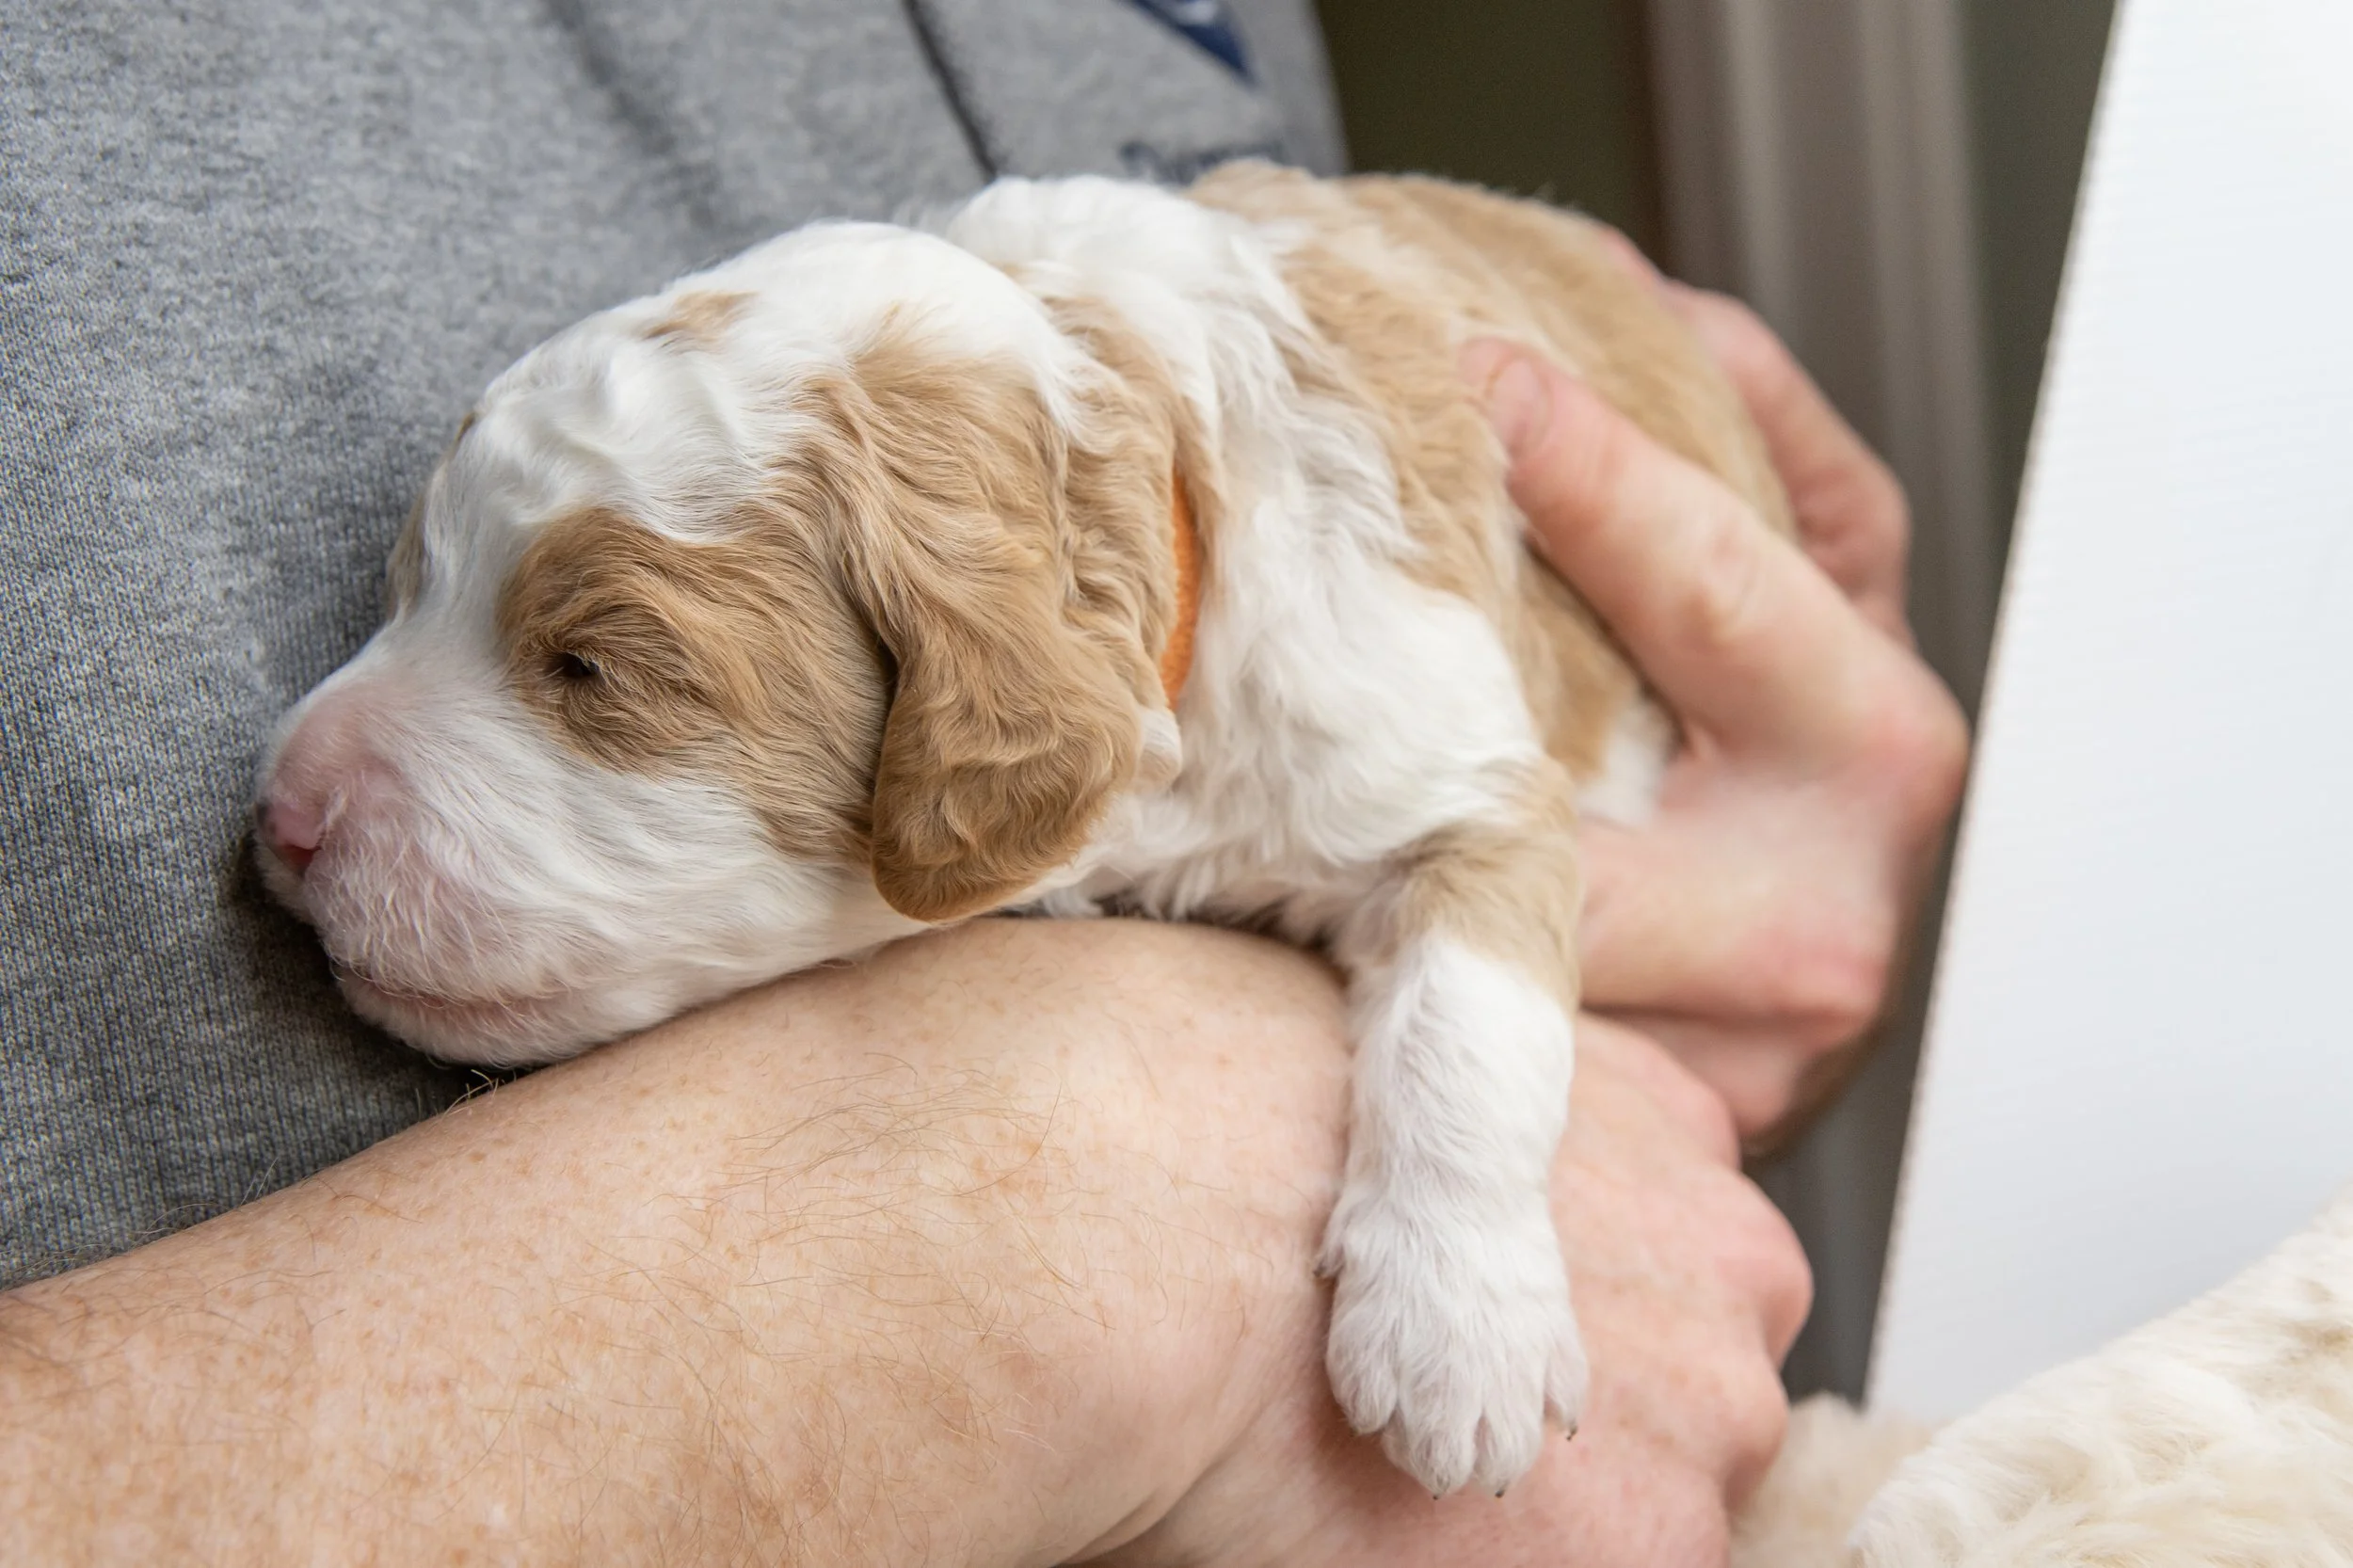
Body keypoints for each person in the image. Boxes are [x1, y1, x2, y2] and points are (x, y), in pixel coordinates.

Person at [0, 0, 1966, 1560]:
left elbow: (1496, 820)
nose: (299, 793)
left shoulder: (1189, 550)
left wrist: (1749, 921)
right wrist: (1022, 1242)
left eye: (591, 673)